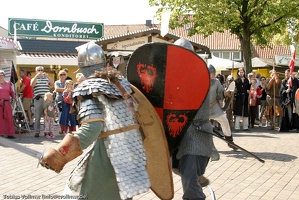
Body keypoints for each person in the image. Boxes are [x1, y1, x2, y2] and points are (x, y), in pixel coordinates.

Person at [40, 42, 151, 199]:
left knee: (80, 192)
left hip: (109, 154)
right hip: (133, 151)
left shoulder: (88, 88)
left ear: (82, 66)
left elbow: (92, 128)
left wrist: (59, 154)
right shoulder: (122, 84)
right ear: (103, 61)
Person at [173, 38, 219, 200]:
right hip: (181, 135)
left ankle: (194, 177)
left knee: (191, 190)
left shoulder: (199, 75)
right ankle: (195, 175)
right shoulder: (177, 76)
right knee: (176, 166)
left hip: (196, 135)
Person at [209, 65, 236, 150]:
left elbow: (221, 92)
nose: (212, 75)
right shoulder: (201, 81)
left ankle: (229, 141)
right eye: (211, 73)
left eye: (213, 73)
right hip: (204, 109)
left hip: (214, 106)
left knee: (224, 121)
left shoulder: (216, 82)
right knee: (201, 127)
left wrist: (226, 93)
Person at [30, 66, 54, 137]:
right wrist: (36, 77)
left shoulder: (46, 78)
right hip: (38, 99)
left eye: (41, 70)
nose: (40, 71)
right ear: (36, 71)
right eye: (38, 70)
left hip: (47, 99)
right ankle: (37, 131)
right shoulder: (34, 79)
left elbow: (52, 84)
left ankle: (46, 131)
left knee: (48, 115)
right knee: (37, 116)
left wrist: (48, 76)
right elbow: (32, 85)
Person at [0, 70, 16, 138]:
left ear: (4, 76)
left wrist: (14, 97)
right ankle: (1, 133)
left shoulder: (8, 83)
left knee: (8, 118)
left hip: (6, 103)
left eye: (2, 75)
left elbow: (11, 92)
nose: (1, 77)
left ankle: (10, 133)